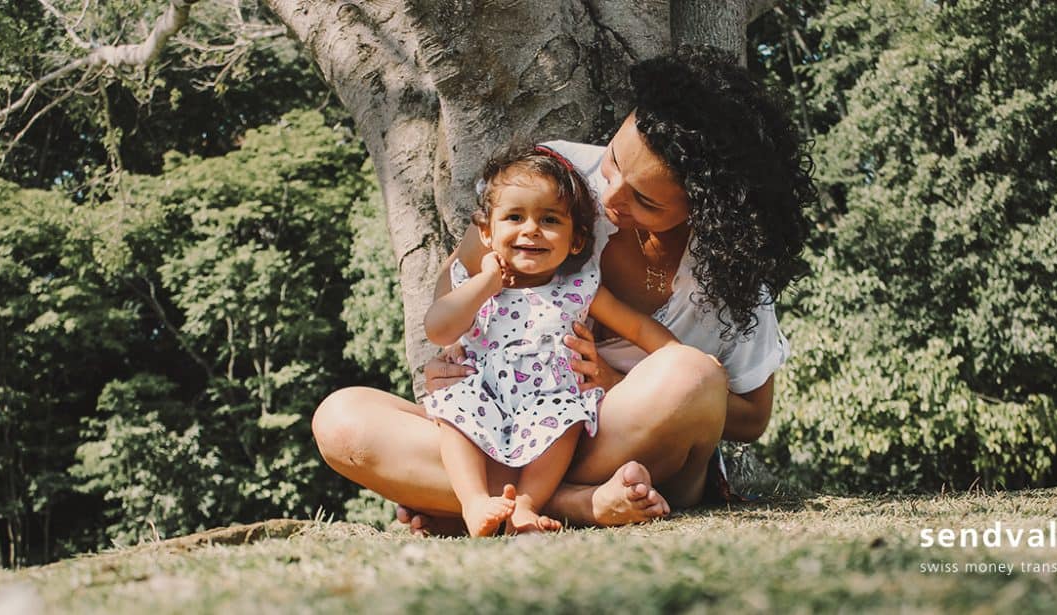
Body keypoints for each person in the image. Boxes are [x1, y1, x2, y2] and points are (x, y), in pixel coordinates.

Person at [312, 45, 814, 534]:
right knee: (342, 419)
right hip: (504, 420)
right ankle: (573, 503)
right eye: (615, 161)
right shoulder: (555, 181)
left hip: (620, 438)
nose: (609, 196)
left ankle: (471, 499)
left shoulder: (732, 269)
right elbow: (457, 274)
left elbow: (751, 418)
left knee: (690, 375)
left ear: (706, 209)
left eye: (643, 200)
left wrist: (617, 387)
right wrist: (455, 349)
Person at [424, 145, 679, 536]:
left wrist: (676, 358)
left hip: (549, 401)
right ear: (488, 233)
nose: (530, 229)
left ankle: (526, 505)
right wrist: (488, 281)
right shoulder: (477, 288)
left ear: (576, 240)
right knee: (454, 412)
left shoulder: (579, 290)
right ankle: (474, 502)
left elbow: (641, 329)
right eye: (514, 217)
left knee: (568, 417)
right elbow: (438, 328)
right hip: (484, 395)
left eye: (549, 219)